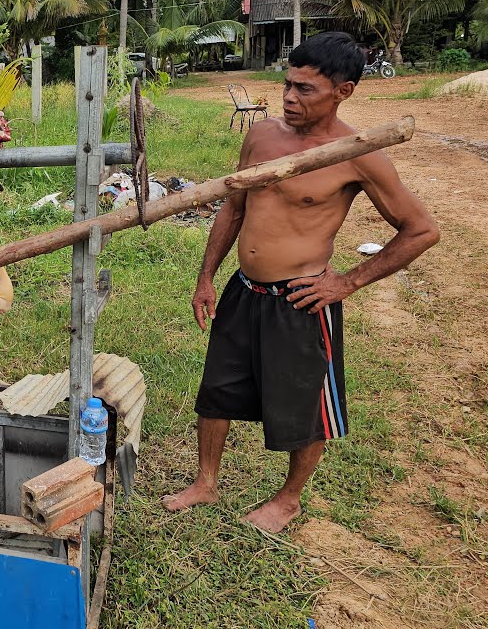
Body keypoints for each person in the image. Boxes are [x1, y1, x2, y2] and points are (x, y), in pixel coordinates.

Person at [161, 32, 439, 533]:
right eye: (287, 84)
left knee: (306, 406)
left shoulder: (358, 154)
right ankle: (206, 482)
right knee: (217, 390)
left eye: (305, 89)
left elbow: (421, 230)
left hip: (301, 302)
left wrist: (348, 282)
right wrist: (206, 276)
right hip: (245, 290)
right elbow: (234, 206)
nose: (289, 97)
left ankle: (289, 499)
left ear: (343, 91)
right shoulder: (262, 136)